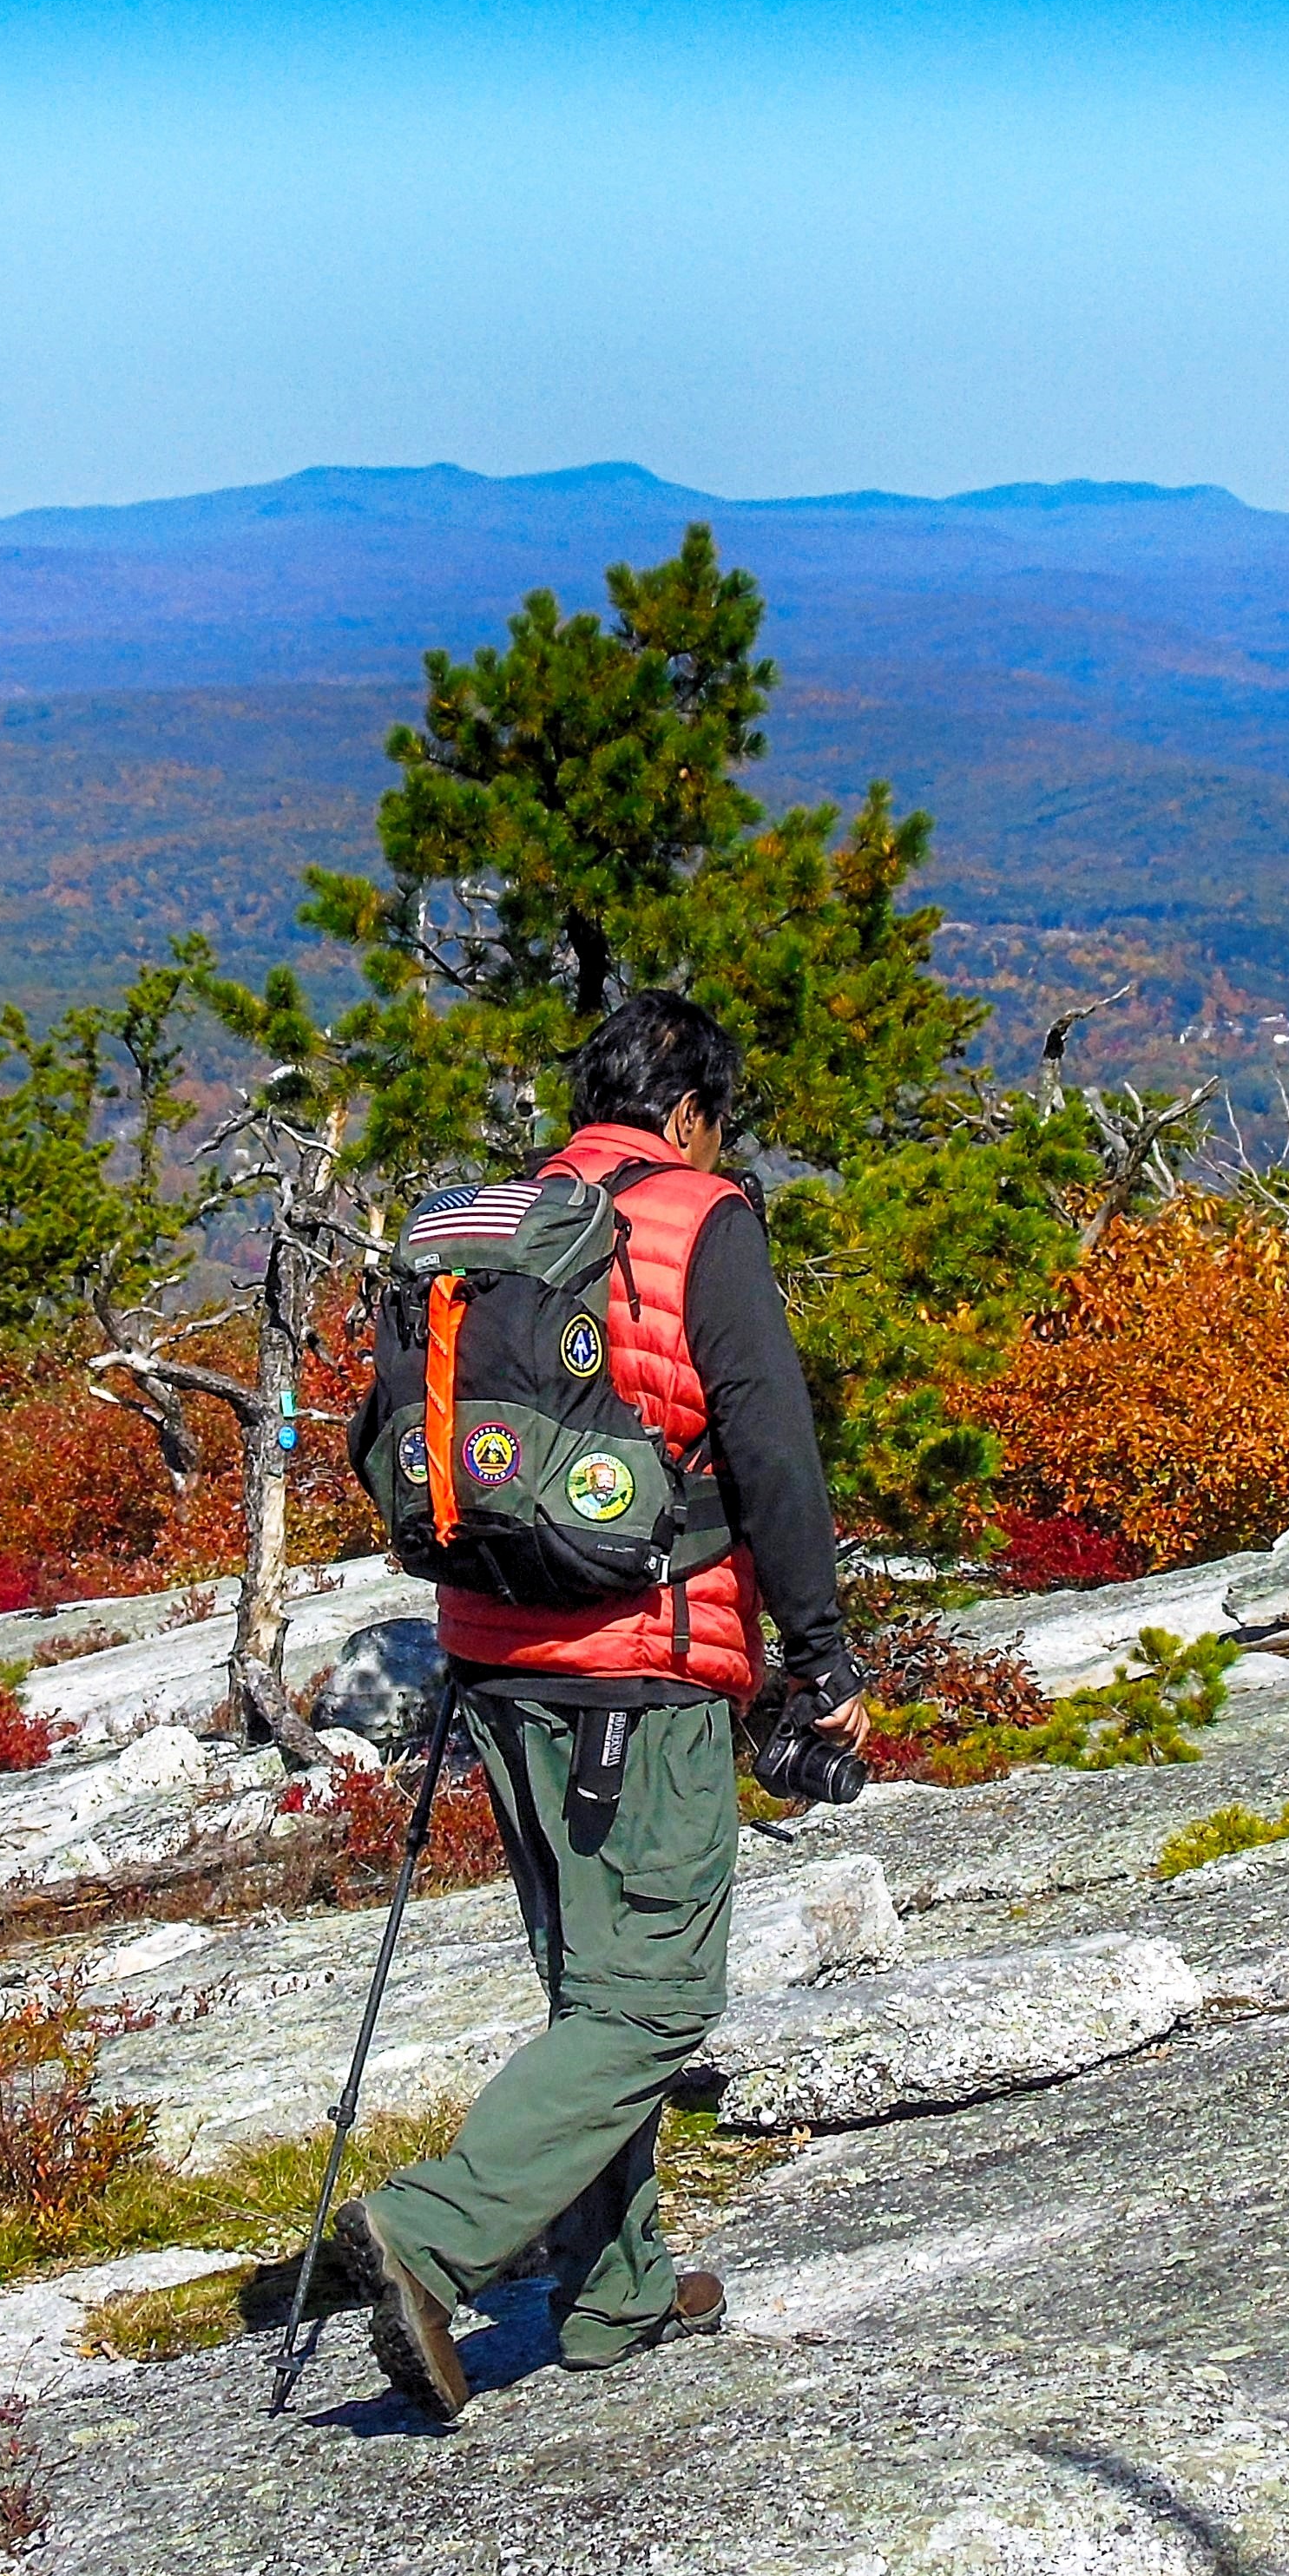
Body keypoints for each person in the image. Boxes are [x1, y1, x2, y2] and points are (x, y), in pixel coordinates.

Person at [332, 990, 868, 2421]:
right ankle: (431, 2235)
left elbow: (380, 1434)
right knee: (654, 1997)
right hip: (642, 1659)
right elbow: (769, 1443)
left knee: (590, 1984)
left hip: (493, 1665)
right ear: (689, 1109)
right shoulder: (703, 1218)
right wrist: (819, 1653)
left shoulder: (477, 1227)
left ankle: (613, 2287)